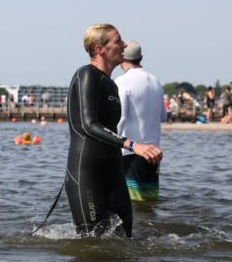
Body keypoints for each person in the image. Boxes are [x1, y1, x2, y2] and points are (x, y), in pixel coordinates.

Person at [65, 25, 162, 237]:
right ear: (100, 49)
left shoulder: (111, 84)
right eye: (118, 41)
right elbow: (89, 125)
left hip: (114, 172)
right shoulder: (86, 75)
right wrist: (134, 145)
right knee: (92, 245)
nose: (124, 45)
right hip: (87, 173)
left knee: (125, 236)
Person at [115, 41, 164, 202]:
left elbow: (120, 118)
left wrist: (111, 144)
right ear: (140, 58)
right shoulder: (156, 81)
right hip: (155, 153)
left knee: (131, 204)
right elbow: (163, 116)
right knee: (149, 203)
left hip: (131, 152)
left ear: (121, 57)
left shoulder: (122, 81)